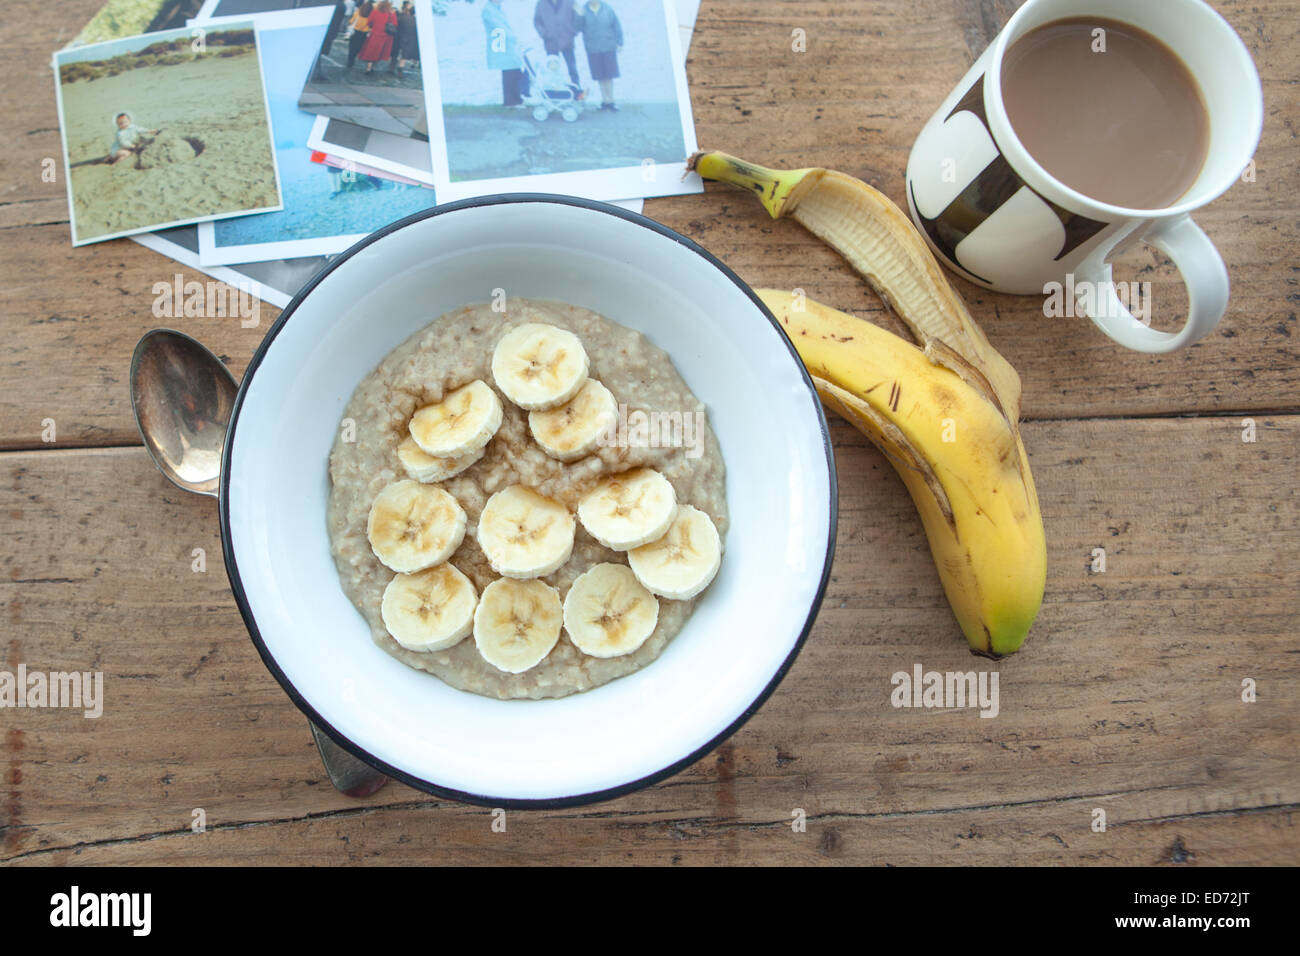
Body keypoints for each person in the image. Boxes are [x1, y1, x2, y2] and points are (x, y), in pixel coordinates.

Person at [574, 0, 621, 110]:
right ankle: (604, 101)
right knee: (600, 76)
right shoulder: (583, 10)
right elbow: (577, 29)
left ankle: (611, 101)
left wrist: (619, 42)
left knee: (609, 75)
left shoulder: (608, 9)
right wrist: (579, 16)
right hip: (593, 49)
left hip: (608, 47)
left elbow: (616, 26)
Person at [482, 0, 529, 107]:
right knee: (510, 72)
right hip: (501, 43)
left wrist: (514, 38)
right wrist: (513, 38)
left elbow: (506, 26)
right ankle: (511, 102)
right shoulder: (488, 10)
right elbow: (499, 27)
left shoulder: (497, 9)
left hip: (507, 44)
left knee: (515, 71)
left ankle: (516, 99)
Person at [533, 0, 579, 86]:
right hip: (550, 43)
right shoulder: (541, 3)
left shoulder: (571, 2)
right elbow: (537, 21)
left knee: (572, 68)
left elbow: (579, 17)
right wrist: (544, 34)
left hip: (567, 42)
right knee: (552, 70)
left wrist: (572, 32)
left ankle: (577, 88)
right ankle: (554, 89)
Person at [359, 0, 397, 72]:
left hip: (374, 35)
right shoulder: (392, 15)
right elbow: (395, 24)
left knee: (371, 51)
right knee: (379, 53)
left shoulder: (374, 12)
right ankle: (373, 66)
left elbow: (369, 22)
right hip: (385, 37)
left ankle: (369, 67)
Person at [390, 1, 419, 77]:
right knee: (404, 56)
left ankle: (392, 68)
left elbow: (396, 26)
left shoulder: (402, 17)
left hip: (398, 37)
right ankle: (400, 67)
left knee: (395, 54)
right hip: (408, 40)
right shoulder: (415, 21)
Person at [347, 1, 373, 68]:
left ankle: (350, 61)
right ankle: (356, 56)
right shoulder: (371, 14)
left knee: (352, 48)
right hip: (364, 33)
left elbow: (351, 21)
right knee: (359, 47)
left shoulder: (358, 12)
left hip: (355, 32)